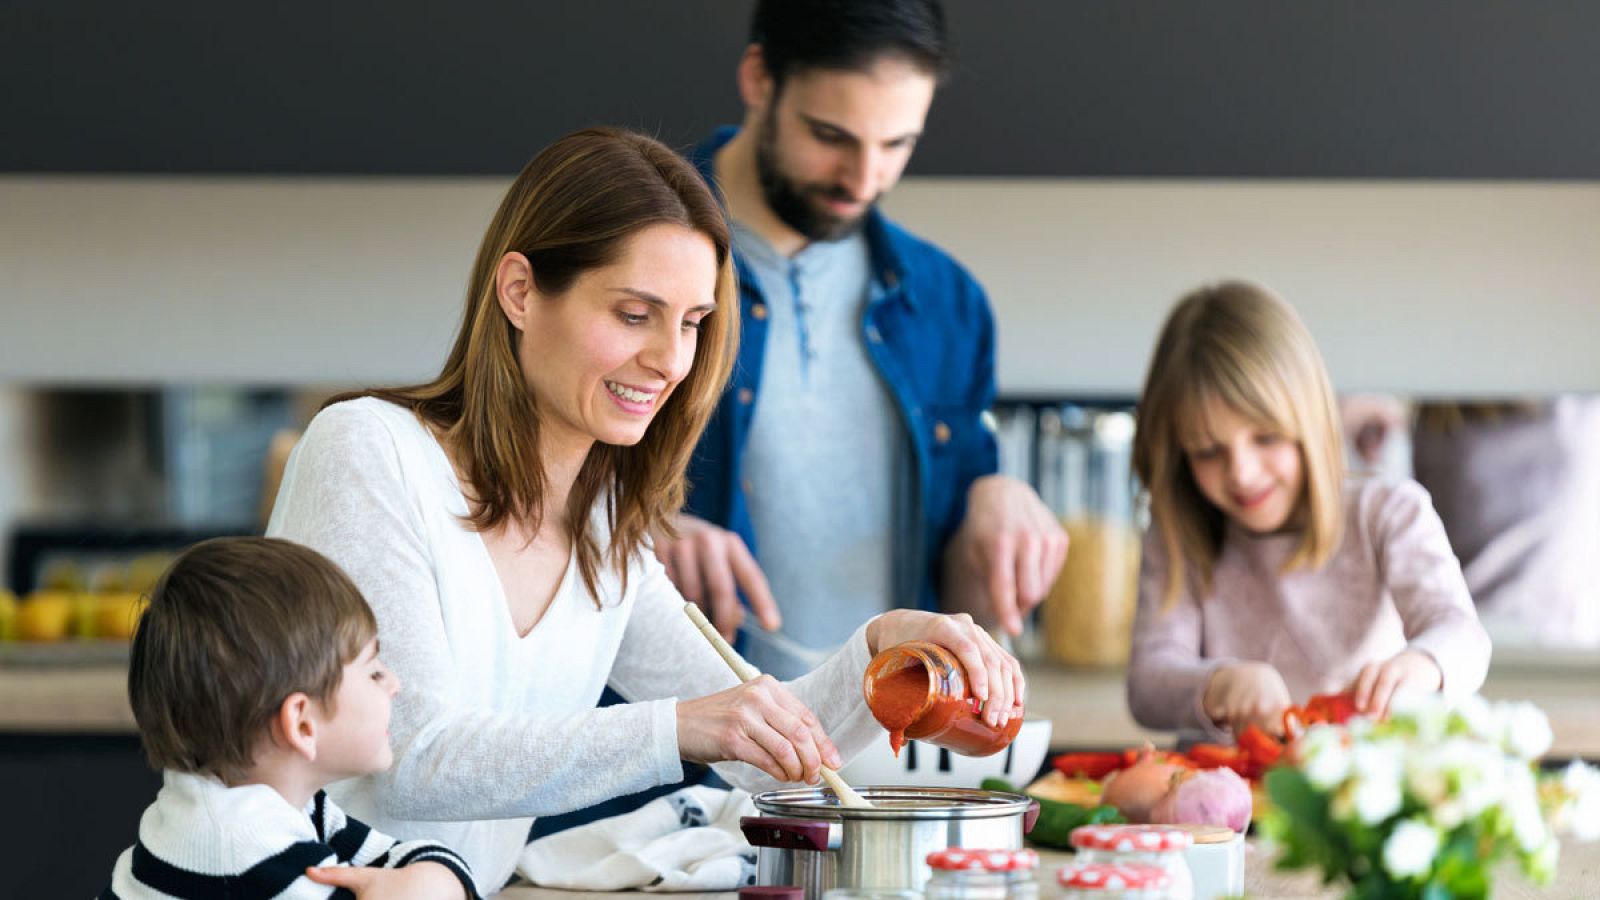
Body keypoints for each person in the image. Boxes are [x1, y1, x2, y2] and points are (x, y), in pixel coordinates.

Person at [266, 127, 1023, 894]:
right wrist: (678, 728)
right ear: (520, 292)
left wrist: (883, 647)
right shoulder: (368, 451)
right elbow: (401, 755)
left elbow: (754, 748)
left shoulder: (602, 527)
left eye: (692, 322)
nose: (671, 359)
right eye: (635, 314)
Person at [659, 0, 1067, 677]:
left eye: (897, 144)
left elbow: (967, 606)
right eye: (831, 135)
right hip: (685, 761)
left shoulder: (948, 303)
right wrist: (629, 535)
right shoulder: (628, 252)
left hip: (884, 759)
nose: (864, 179)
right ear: (760, 78)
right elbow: (517, 500)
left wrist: (994, 502)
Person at [1126, 280, 1491, 741]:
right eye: (1207, 451)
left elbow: (1462, 634)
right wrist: (1219, 683)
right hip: (1223, 795)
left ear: (1312, 421)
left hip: (1357, 784)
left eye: (1267, 439)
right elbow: (1147, 683)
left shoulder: (1388, 513)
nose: (1241, 472)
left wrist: (1420, 666)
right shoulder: (1177, 532)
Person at [103, 537, 478, 899]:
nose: (394, 684)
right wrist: (434, 884)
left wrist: (435, 880)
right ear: (301, 723)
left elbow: (408, 860)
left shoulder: (290, 805)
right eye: (373, 671)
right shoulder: (239, 847)